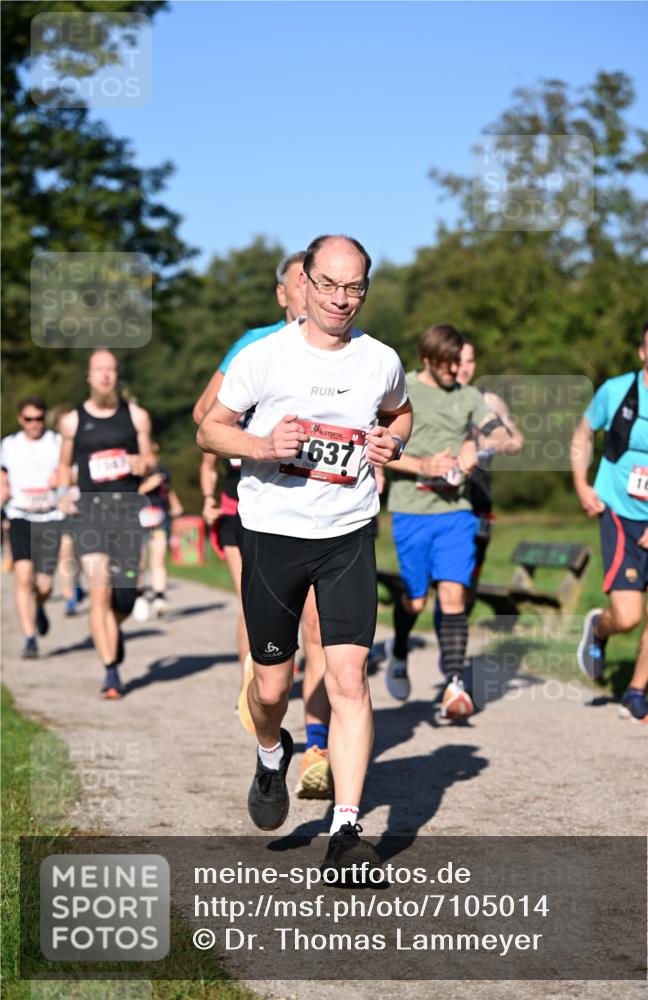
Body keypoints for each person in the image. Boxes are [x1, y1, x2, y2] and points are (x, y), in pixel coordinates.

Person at [198, 234, 412, 871]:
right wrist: (263, 445)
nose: (342, 299)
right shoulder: (264, 358)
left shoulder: (381, 360)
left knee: (349, 676)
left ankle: (345, 832)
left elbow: (400, 415)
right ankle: (271, 752)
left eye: (355, 288)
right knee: (272, 686)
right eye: (330, 285)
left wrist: (391, 445)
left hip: (347, 534)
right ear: (305, 283)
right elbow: (208, 427)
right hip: (273, 534)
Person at [196, 252, 334, 801]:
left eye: (317, 281)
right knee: (260, 618)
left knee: (320, 627)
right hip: (256, 503)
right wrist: (254, 441)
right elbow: (204, 415)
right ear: (284, 293)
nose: (311, 291)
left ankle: (319, 744)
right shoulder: (256, 345)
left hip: (325, 511)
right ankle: (259, 700)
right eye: (301, 282)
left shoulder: (347, 349)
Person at [384, 325, 511, 720]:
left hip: (456, 512)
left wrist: (477, 442)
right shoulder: (400, 389)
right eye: (448, 363)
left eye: (460, 362)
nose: (456, 370)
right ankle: (400, 647)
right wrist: (423, 465)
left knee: (454, 596)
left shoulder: (468, 396)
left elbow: (503, 434)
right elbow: (379, 448)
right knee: (416, 600)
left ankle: (454, 684)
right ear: (427, 359)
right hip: (411, 509)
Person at [571, 317, 648, 723]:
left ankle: (635, 692)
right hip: (619, 512)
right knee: (627, 617)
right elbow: (582, 434)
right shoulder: (617, 391)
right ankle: (599, 630)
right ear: (642, 353)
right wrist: (581, 485)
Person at [58, 350, 154, 698]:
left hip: (126, 514)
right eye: (99, 370)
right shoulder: (72, 421)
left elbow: (150, 463)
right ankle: (111, 671)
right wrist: (64, 491)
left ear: (117, 376)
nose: (105, 376)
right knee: (99, 591)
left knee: (124, 598)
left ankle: (113, 630)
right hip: (90, 515)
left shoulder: (136, 417)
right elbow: (63, 466)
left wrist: (136, 462)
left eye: (110, 370)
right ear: (89, 376)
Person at [455, 335, 524, 611]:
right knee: (442, 581)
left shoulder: (489, 401)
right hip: (440, 499)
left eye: (470, 361)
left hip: (480, 497)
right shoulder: (431, 400)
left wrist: (484, 443)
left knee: (471, 573)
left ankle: (453, 646)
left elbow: (516, 441)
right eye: (458, 361)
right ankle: (401, 645)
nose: (464, 368)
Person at [1, 397, 63, 658]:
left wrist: (61, 478)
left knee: (46, 584)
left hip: (50, 516)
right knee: (24, 576)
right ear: (20, 420)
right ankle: (29, 638)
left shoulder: (56, 443)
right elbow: (2, 476)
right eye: (29, 419)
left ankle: (40, 606)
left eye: (38, 419)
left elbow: (70, 472)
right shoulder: (9, 445)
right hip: (20, 516)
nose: (34, 424)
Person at [133, 441, 184, 620]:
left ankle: (159, 597)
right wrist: (148, 485)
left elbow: (167, 490)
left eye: (155, 455)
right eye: (149, 454)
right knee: (139, 563)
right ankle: (139, 596)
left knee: (158, 559)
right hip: (137, 521)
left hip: (158, 520)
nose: (153, 459)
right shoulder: (135, 472)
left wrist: (175, 504)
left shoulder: (162, 471)